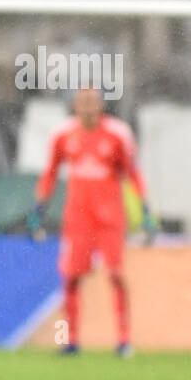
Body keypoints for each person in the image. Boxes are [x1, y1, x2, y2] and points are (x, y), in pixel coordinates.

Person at [32, 87, 153, 356]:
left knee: (116, 274)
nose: (87, 108)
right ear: (74, 106)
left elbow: (133, 173)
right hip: (77, 218)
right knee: (71, 277)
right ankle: (69, 340)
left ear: (101, 106)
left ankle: (124, 340)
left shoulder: (118, 134)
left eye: (93, 103)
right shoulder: (63, 135)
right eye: (82, 103)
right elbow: (50, 173)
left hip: (110, 217)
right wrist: (38, 209)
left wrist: (146, 211)